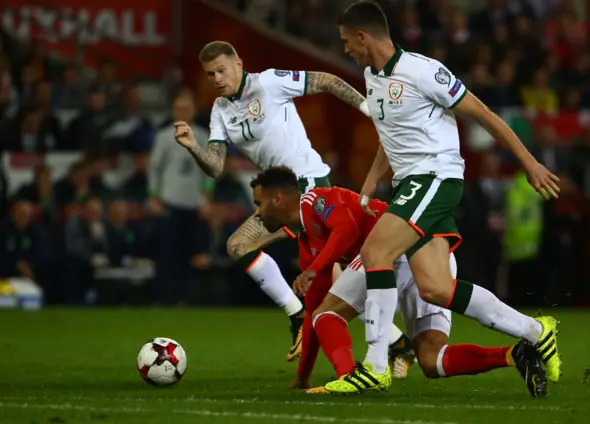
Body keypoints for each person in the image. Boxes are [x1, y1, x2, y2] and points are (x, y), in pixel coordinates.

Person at [329, 0, 561, 392]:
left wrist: (529, 163)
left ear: (363, 36)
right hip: (412, 186)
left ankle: (374, 364)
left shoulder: (423, 71)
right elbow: (393, 135)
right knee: (435, 287)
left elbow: (484, 114)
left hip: (435, 177)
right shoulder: (372, 76)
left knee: (375, 253)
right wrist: (370, 182)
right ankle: (537, 331)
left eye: (347, 41)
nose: (345, 49)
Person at [173, 41, 418, 364]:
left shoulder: (269, 82)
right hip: (281, 199)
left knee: (249, 249)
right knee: (335, 279)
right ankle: (395, 343)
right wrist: (193, 146)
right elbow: (216, 166)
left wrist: (366, 108)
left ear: (238, 64)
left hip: (309, 187)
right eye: (210, 74)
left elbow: (326, 81)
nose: (217, 78)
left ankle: (303, 317)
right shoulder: (221, 110)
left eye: (221, 70)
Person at [250, 166, 546, 397]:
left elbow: (347, 230)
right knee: (432, 361)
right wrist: (303, 375)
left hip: (395, 247)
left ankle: (355, 377)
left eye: (258, 204)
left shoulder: (315, 200)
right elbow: (315, 305)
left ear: (278, 198)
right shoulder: (308, 240)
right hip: (421, 251)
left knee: (329, 315)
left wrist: (315, 268)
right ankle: (514, 354)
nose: (256, 213)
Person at [148, 93, 212, 305]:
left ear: (193, 111)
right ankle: (162, 298)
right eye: (179, 108)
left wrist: (207, 197)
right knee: (166, 252)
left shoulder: (202, 136)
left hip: (194, 204)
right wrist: (154, 196)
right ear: (174, 111)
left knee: (189, 254)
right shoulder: (164, 137)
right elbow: (154, 169)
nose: (183, 112)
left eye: (187, 108)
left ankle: (185, 300)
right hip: (169, 201)